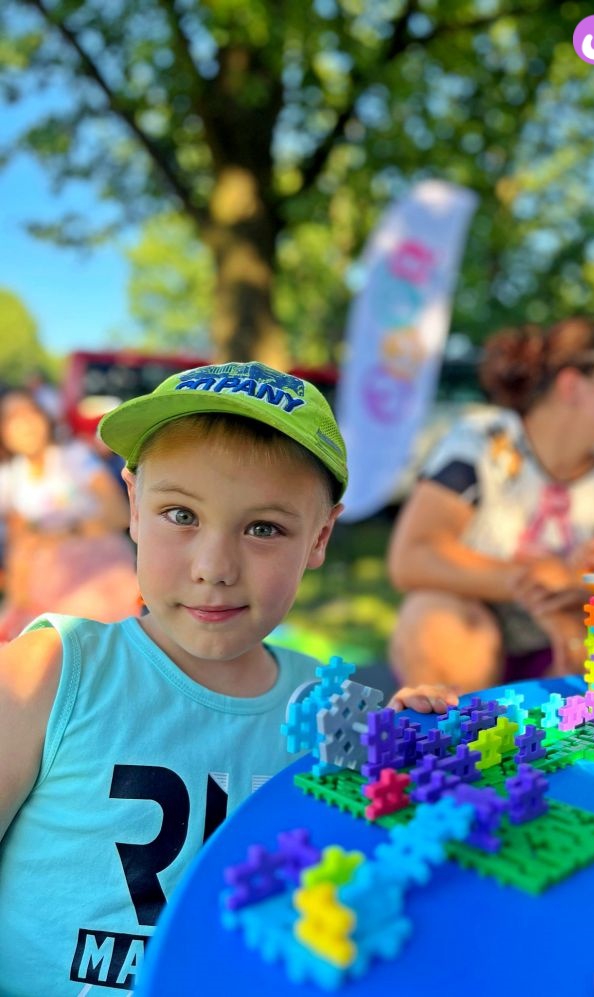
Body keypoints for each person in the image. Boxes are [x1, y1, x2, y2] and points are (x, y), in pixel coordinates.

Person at [0, 361, 455, 996]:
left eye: (264, 528)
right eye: (180, 514)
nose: (214, 567)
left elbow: (384, 867)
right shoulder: (47, 672)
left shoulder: (336, 707)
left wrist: (414, 746)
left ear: (320, 536)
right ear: (133, 505)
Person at [387, 318, 594, 694]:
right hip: (471, 641)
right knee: (435, 615)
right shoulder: (485, 442)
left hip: (561, 652)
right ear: (572, 386)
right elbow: (413, 557)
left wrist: (581, 594)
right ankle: (453, 726)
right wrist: (538, 583)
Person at [0, 388, 140, 640]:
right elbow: (18, 545)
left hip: (99, 573)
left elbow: (119, 514)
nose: (25, 424)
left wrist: (62, 532)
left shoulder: (75, 458)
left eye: (30, 412)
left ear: (45, 417)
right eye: (12, 417)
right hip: (47, 582)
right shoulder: (11, 479)